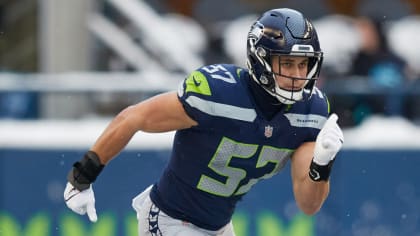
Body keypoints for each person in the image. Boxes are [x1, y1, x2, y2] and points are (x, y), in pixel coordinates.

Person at [64, 8, 344, 236]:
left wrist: (322, 163)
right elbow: (135, 116)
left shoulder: (311, 111)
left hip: (219, 227)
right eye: (287, 63)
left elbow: (308, 204)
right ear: (261, 61)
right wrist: (82, 176)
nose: (297, 74)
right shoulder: (219, 93)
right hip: (170, 219)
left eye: (303, 64)